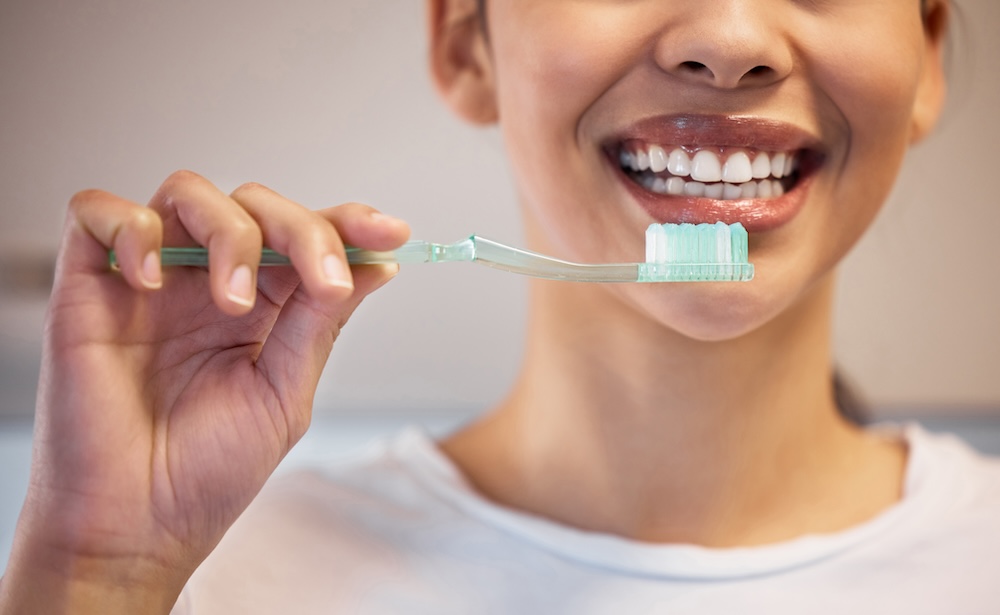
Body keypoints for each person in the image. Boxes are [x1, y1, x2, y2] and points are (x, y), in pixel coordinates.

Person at [2, 0, 998, 612]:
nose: (728, 38)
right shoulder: (212, 580)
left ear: (927, 51)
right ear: (463, 44)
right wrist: (94, 578)